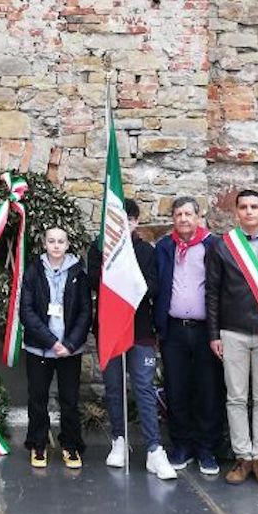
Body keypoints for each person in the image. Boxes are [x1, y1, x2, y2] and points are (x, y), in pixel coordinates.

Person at [205, 190, 258, 487]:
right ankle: (243, 457)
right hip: (233, 331)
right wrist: (214, 333)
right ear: (236, 212)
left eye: (254, 206)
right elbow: (212, 292)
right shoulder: (223, 247)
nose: (249, 211)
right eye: (244, 207)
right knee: (236, 398)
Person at [89, 199, 176, 480]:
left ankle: (153, 448)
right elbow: (92, 283)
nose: (123, 224)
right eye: (118, 219)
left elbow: (154, 286)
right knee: (113, 387)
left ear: (135, 222)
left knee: (143, 387)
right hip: (111, 329)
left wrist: (130, 285)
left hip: (140, 331)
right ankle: (119, 440)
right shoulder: (98, 249)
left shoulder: (145, 250)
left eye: (129, 219)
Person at [154, 196, 224, 475]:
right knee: (176, 389)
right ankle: (181, 445)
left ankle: (207, 449)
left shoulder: (213, 246)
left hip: (206, 331)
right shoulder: (164, 247)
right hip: (174, 330)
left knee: (208, 390)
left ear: (198, 217)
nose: (183, 219)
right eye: (178, 214)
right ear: (173, 218)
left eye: (188, 214)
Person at [21, 227, 91, 469]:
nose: (56, 245)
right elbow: (26, 311)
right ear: (45, 244)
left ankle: (71, 445)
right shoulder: (33, 271)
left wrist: (69, 344)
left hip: (70, 350)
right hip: (40, 348)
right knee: (38, 398)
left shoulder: (78, 273)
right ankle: (38, 444)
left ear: (68, 244)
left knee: (69, 400)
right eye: (51, 241)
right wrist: (50, 341)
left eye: (61, 241)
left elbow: (85, 311)